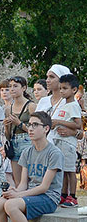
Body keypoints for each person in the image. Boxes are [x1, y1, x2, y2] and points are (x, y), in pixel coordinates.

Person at [0, 111, 62, 222]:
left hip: (48, 198)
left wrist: (18, 196)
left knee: (11, 205)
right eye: (29, 125)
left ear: (46, 129)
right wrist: (14, 191)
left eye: (35, 125)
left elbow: (44, 187)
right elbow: (23, 184)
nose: (30, 128)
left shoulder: (54, 153)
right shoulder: (27, 152)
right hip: (31, 194)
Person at [49, 73, 81, 207]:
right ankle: (63, 195)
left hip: (67, 143)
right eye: (60, 88)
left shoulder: (73, 105)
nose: (61, 91)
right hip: (59, 141)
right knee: (62, 170)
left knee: (70, 170)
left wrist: (58, 121)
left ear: (74, 90)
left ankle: (72, 196)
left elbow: (78, 125)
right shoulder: (64, 104)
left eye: (65, 88)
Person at [5, 76, 36, 183]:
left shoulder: (31, 106)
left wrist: (19, 124)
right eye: (10, 86)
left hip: (28, 142)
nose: (12, 89)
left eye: (15, 86)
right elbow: (8, 135)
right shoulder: (9, 108)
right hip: (14, 143)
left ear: (24, 88)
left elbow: (36, 130)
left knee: (28, 179)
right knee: (17, 180)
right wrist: (6, 126)